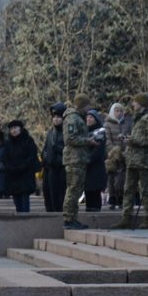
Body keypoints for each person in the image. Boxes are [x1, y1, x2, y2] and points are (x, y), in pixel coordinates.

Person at [116, 94, 148, 229]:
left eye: (136, 102)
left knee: (146, 190)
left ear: (142, 103)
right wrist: (128, 139)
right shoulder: (137, 117)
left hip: (144, 159)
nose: (133, 104)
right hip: (132, 158)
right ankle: (126, 217)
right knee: (128, 189)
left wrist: (133, 141)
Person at [61, 95, 98, 229]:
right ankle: (69, 219)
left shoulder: (78, 118)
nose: (89, 109)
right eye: (87, 106)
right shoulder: (72, 118)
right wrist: (87, 140)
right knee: (73, 189)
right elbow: (70, 139)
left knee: (76, 190)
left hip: (79, 158)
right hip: (74, 159)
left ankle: (73, 218)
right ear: (82, 105)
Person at [0, 120, 39, 213]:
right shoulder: (7, 143)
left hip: (25, 176)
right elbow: (4, 158)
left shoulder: (28, 140)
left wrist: (22, 166)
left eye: (15, 128)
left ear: (20, 128)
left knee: (24, 204)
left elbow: (32, 156)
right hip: (13, 177)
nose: (14, 130)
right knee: (17, 204)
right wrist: (11, 167)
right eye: (11, 129)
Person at [103, 102, 132, 209]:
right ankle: (112, 198)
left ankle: (120, 197)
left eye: (120, 111)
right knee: (111, 177)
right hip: (112, 155)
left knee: (122, 177)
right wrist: (114, 152)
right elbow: (107, 140)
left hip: (124, 154)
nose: (119, 113)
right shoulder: (107, 124)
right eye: (117, 111)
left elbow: (129, 136)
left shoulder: (126, 124)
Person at [42, 102, 67, 213]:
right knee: (50, 195)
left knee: (60, 195)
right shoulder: (50, 132)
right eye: (54, 117)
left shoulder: (66, 132)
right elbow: (45, 148)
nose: (56, 119)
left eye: (58, 117)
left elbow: (68, 149)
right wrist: (45, 157)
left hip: (62, 168)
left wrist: (57, 148)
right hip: (50, 168)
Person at [83, 110, 108, 212]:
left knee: (95, 192)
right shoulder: (84, 132)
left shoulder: (100, 131)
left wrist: (87, 159)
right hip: (86, 167)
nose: (88, 119)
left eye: (91, 117)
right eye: (87, 117)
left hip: (95, 167)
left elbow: (98, 150)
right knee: (88, 192)